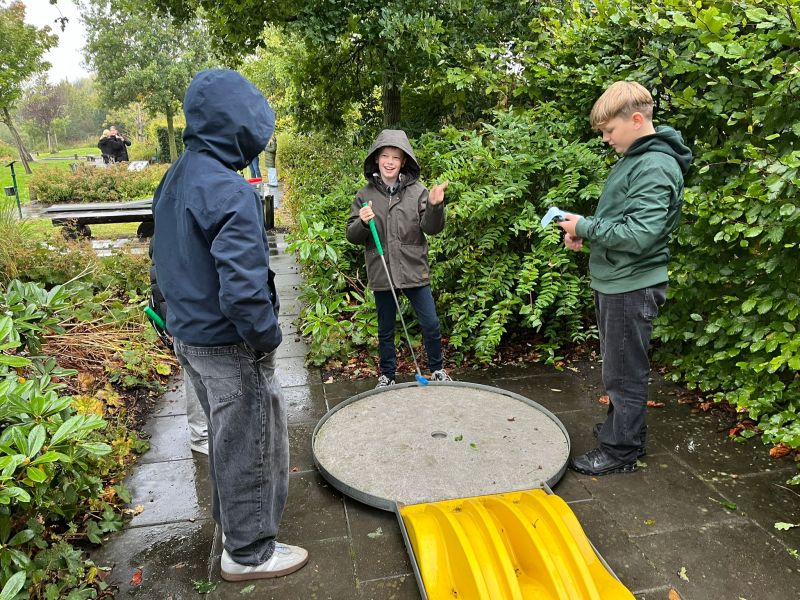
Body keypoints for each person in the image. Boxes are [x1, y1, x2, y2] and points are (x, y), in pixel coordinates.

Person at [152, 68, 308, 581]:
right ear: (241, 126)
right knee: (252, 445)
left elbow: (161, 257)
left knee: (226, 438)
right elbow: (243, 291)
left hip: (190, 336)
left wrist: (170, 318)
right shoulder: (230, 191)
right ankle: (249, 553)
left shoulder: (176, 177)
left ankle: (234, 529)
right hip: (228, 343)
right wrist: (266, 340)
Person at [558, 81, 691, 476]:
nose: (605, 139)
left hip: (631, 285)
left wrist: (586, 226)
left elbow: (640, 235)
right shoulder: (637, 158)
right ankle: (625, 430)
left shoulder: (654, 165)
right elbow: (625, 221)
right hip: (619, 279)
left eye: (609, 130)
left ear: (635, 120)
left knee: (623, 372)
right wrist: (586, 234)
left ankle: (621, 452)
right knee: (619, 366)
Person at [346, 129, 451, 387]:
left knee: (430, 323)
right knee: (385, 329)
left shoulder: (418, 192)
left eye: (396, 157)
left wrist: (435, 206)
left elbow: (431, 228)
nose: (390, 162)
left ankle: (437, 369)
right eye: (385, 156)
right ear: (376, 159)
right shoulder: (364, 195)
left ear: (404, 161)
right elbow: (352, 235)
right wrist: (362, 222)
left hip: (413, 268)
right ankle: (387, 375)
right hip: (382, 270)